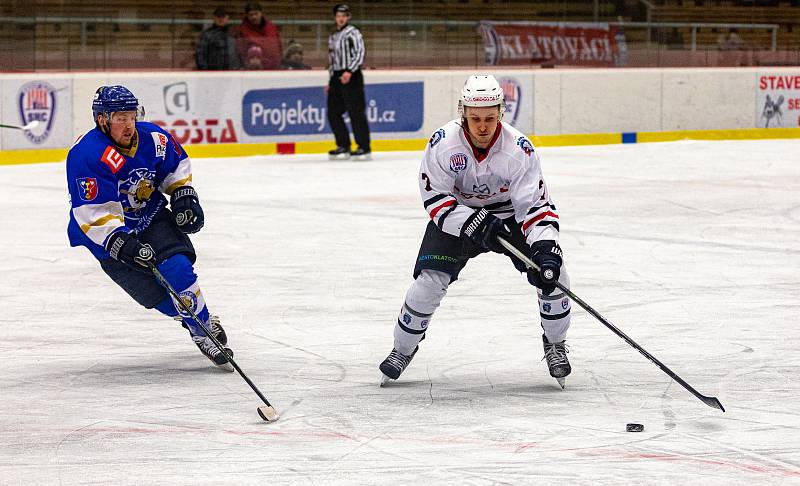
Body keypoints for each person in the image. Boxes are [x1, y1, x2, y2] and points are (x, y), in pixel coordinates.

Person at [378, 75, 572, 388]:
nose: (482, 127)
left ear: (501, 114)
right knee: (429, 281)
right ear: (464, 113)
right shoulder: (443, 144)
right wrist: (470, 221)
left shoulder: (519, 150)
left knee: (554, 275)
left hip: (508, 218)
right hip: (458, 216)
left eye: (490, 119)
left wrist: (546, 248)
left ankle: (555, 344)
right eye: (475, 118)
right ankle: (402, 349)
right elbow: (436, 199)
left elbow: (535, 207)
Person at [66, 85, 234, 370]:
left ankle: (202, 329)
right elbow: (93, 212)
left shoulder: (153, 138)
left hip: (151, 216)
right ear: (102, 120)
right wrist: (120, 242)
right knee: (155, 296)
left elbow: (175, 166)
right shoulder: (87, 154)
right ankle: (191, 316)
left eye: (131, 116)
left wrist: (183, 194)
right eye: (120, 117)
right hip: (107, 236)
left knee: (177, 269)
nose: (129, 124)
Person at [326, 4, 371, 161]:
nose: (341, 18)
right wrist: (331, 79)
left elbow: (360, 53)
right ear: (335, 17)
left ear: (348, 17)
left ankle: (363, 147)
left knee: (356, 112)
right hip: (337, 77)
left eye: (344, 15)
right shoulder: (333, 35)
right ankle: (343, 145)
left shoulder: (353, 32)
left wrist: (350, 71)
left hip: (351, 76)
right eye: (338, 15)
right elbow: (332, 59)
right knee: (333, 112)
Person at [236, 2, 283, 70]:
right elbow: (240, 52)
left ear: (261, 13)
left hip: (273, 68)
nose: (254, 17)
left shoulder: (271, 27)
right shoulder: (242, 30)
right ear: (247, 15)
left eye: (256, 14)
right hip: (254, 69)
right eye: (251, 15)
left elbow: (279, 45)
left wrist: (280, 60)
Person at [195, 6, 240, 70]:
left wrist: (236, 70)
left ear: (227, 18)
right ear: (214, 18)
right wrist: (205, 72)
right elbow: (200, 55)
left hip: (230, 74)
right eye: (218, 16)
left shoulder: (232, 35)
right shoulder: (206, 35)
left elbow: (236, 56)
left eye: (223, 17)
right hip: (212, 75)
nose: (221, 19)